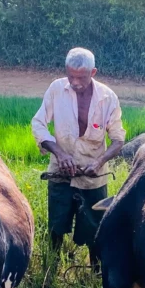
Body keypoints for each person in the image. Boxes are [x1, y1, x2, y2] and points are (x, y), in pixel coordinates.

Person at [32, 47, 125, 258]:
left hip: (93, 178)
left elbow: (118, 139)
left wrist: (99, 162)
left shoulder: (107, 97)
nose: (75, 82)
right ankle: (52, 265)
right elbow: (38, 124)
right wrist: (59, 154)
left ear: (93, 72)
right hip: (60, 173)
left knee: (95, 230)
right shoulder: (57, 89)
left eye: (81, 77)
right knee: (56, 227)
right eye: (70, 76)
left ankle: (95, 270)